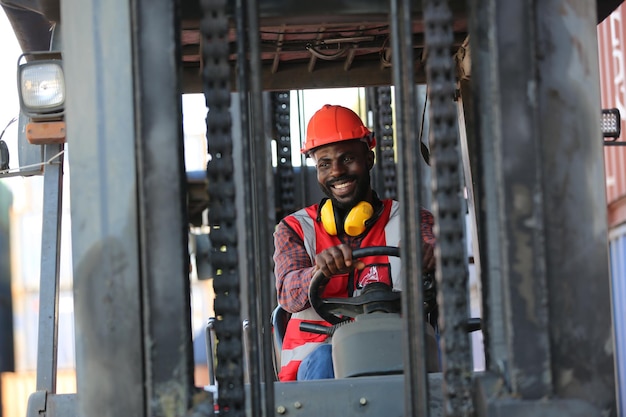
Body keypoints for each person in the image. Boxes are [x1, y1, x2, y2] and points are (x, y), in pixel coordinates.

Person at [273, 104, 436, 381]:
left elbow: (438, 253)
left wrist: (433, 257)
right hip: (319, 358)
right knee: (326, 360)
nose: (336, 171)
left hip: (395, 349)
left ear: (369, 159)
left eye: (347, 158)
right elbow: (288, 293)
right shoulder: (295, 228)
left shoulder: (411, 219)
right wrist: (318, 273)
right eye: (324, 163)